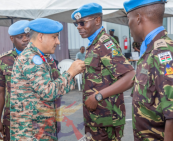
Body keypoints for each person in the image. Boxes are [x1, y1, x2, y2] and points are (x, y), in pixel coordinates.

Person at [10, 18, 85, 140]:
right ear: (40, 37)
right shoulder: (31, 59)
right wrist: (70, 73)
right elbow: (48, 92)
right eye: (54, 37)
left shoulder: (38, 56)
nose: (58, 42)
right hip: (31, 133)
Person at [71, 3, 135, 140]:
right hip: (96, 119)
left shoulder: (105, 43)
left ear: (97, 20)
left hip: (106, 120)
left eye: (82, 23)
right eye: (76, 24)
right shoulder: (94, 44)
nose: (78, 27)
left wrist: (97, 96)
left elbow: (130, 76)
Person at [124, 0, 173, 140]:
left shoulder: (163, 53)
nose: (129, 25)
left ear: (138, 18)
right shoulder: (149, 51)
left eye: (128, 19)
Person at [0, 20, 30, 141]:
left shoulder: (43, 58)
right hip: (12, 121)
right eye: (20, 37)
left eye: (28, 36)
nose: (25, 39)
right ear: (11, 39)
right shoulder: (4, 61)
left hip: (38, 121)